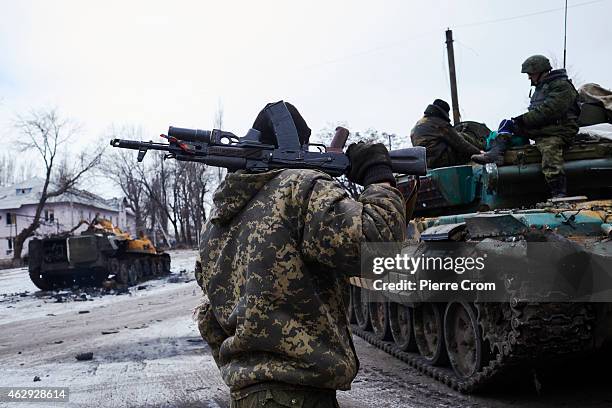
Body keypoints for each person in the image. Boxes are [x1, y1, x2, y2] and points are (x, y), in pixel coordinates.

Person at [195, 101, 406, 408]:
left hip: (246, 397)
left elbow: (208, 317)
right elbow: (378, 247)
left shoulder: (217, 221)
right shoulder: (300, 188)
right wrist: (378, 177)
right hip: (298, 397)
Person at [472, 55, 580, 197]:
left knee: (549, 148)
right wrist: (518, 122)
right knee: (507, 124)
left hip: (559, 130)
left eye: (531, 74)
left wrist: (523, 120)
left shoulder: (562, 86)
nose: (529, 77)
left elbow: (549, 111)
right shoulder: (541, 88)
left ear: (541, 71)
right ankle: (496, 153)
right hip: (544, 127)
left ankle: (558, 192)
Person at [410, 99, 482, 169]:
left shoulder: (419, 124)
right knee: (462, 137)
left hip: (426, 163)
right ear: (444, 112)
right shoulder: (440, 123)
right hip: (440, 160)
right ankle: (483, 148)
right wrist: (479, 153)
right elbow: (460, 143)